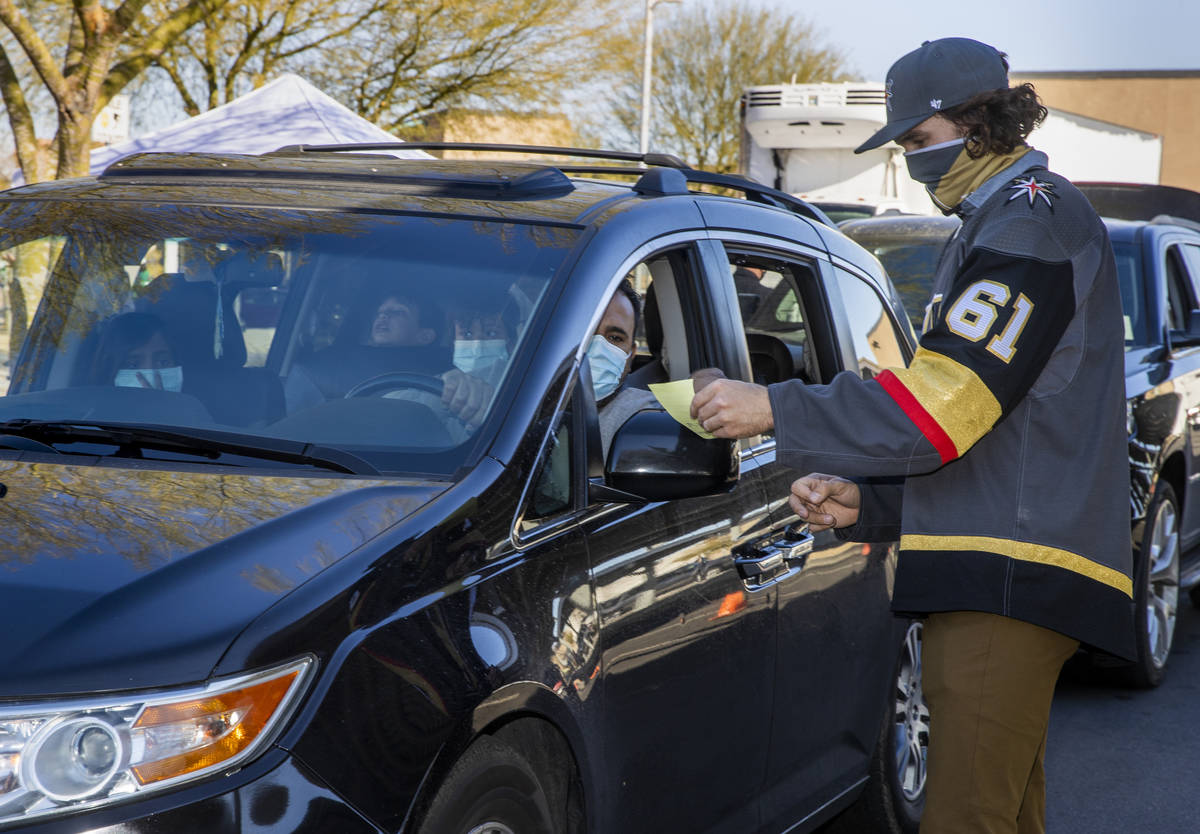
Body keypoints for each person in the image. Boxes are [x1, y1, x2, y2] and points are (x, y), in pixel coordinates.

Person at [690, 37, 1132, 834]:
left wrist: (774, 409)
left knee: (966, 820)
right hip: (1005, 565)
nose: (912, 162)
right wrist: (872, 504)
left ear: (977, 121)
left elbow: (938, 409)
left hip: (1009, 578)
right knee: (1000, 817)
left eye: (918, 142)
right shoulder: (1002, 219)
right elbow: (993, 433)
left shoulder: (1028, 222)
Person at [90, 312, 184, 392]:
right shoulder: (88, 413)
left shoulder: (193, 412)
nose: (150, 377)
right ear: (109, 370)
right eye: (132, 365)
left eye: (163, 362)